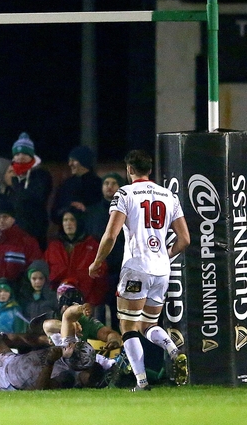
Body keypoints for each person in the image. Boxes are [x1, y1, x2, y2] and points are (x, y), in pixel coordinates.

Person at [89, 150, 191, 391]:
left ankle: (142, 381)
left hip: (136, 267)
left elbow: (111, 234)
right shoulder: (169, 195)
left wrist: (97, 261)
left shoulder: (125, 194)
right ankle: (174, 350)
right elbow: (185, 239)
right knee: (148, 325)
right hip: (161, 270)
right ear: (150, 170)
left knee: (128, 327)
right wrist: (166, 255)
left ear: (129, 170)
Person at [85, 172, 127, 328]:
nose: (109, 187)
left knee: (121, 312)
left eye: (113, 183)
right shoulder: (92, 212)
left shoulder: (127, 210)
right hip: (100, 270)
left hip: (122, 268)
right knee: (99, 312)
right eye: (106, 183)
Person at [44, 207, 108, 310]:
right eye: (65, 220)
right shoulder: (53, 247)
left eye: (72, 219)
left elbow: (100, 278)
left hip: (87, 304)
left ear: (79, 222)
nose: (68, 223)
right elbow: (46, 274)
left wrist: (92, 303)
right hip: (57, 304)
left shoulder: (93, 246)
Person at [0, 197, 42, 300]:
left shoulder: (26, 241)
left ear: (13, 218)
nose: (1, 220)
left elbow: (35, 267)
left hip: (20, 296)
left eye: (5, 217)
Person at [8, 133, 53, 249]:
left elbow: (37, 196)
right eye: (17, 154)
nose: (20, 157)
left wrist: (19, 192)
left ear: (31, 155)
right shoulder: (10, 175)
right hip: (14, 231)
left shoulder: (41, 175)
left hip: (36, 230)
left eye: (24, 153)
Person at [51, 145, 103, 223]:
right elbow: (54, 214)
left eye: (73, 160)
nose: (70, 164)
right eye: (69, 160)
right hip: (66, 233)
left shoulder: (98, 185)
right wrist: (68, 209)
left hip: (90, 232)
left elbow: (103, 212)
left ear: (84, 161)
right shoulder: (66, 185)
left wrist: (85, 209)